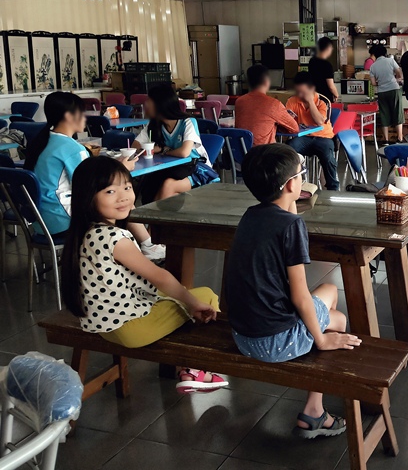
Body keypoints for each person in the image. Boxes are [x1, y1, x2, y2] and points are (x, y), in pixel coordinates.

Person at [225, 143, 360, 437]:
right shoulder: (291, 226)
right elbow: (299, 296)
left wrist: (290, 199)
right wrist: (321, 340)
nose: (302, 178)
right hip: (271, 343)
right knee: (337, 319)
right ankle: (314, 411)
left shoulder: (250, 215)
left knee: (327, 293)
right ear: (290, 185)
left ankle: (315, 397)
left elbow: (282, 216)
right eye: (301, 174)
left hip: (242, 336)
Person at [61, 155, 227, 394]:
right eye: (110, 191)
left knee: (181, 295)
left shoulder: (86, 232)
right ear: (88, 197)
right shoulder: (114, 238)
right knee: (205, 297)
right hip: (130, 329)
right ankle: (195, 369)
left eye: (127, 187)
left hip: (102, 324)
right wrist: (191, 302)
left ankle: (190, 364)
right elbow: (159, 277)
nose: (123, 196)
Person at [24, 91, 165, 261]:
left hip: (41, 220)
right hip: (62, 220)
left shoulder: (43, 141)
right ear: (69, 116)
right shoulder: (72, 148)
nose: (85, 118)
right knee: (122, 200)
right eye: (82, 113)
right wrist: (122, 168)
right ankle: (143, 248)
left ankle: (144, 246)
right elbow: (93, 184)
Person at [133, 84, 218, 203]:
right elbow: (135, 145)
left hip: (197, 169)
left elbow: (184, 152)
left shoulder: (188, 122)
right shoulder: (154, 125)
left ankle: (153, 215)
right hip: (172, 168)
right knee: (151, 188)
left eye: (149, 101)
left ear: (160, 104)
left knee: (168, 186)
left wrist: (163, 150)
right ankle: (156, 215)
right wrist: (152, 148)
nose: (145, 104)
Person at [285, 72, 339, 191]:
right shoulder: (292, 101)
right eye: (298, 91)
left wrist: (310, 102)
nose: (300, 95)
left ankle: (333, 187)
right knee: (288, 150)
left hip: (323, 137)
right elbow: (286, 120)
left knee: (327, 156)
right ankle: (290, 184)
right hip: (303, 137)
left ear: (311, 89)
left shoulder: (322, 101)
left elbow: (319, 121)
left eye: (303, 92)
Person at [235, 64, 299, 145]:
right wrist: (286, 119)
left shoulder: (239, 101)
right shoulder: (273, 104)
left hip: (242, 150)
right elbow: (295, 128)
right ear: (266, 81)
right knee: (291, 152)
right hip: (264, 151)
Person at [369, 44, 404, 144]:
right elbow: (399, 73)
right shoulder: (390, 61)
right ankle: (399, 138)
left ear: (375, 55)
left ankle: (386, 139)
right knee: (397, 112)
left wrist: (381, 83)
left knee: (384, 114)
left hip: (382, 92)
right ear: (385, 53)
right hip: (394, 89)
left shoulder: (373, 66)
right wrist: (397, 79)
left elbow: (373, 83)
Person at [307, 36, 338, 103]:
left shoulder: (312, 61)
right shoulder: (327, 65)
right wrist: (336, 95)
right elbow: (331, 86)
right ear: (328, 48)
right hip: (325, 99)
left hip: (314, 97)